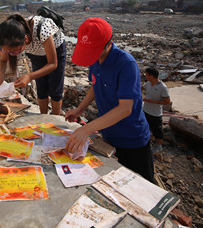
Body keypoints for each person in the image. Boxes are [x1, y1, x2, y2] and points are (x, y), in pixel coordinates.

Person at [65, 18, 155, 183]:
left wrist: (86, 130)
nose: (91, 57)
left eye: (94, 51)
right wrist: (80, 109)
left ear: (108, 44)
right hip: (108, 134)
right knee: (115, 182)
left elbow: (125, 109)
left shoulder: (126, 65)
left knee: (143, 184)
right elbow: (94, 85)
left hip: (132, 139)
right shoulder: (95, 61)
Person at [0, 13, 66, 115]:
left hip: (55, 51)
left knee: (55, 89)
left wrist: (29, 76)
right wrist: (1, 75)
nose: (12, 55)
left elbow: (53, 64)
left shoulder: (42, 29)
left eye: (15, 51)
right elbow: (3, 61)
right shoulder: (8, 40)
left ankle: (56, 118)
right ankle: (44, 117)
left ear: (26, 39)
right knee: (41, 87)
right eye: (8, 52)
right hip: (36, 53)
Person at [142, 67, 171, 153]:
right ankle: (145, 141)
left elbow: (167, 102)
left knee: (157, 131)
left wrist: (152, 101)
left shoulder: (163, 87)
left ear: (151, 76)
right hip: (145, 110)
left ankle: (159, 146)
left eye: (146, 75)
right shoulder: (148, 83)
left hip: (155, 113)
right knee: (145, 126)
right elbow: (141, 88)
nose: (145, 76)